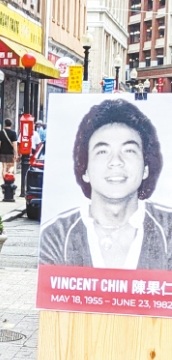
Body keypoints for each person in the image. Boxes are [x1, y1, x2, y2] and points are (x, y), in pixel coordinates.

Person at [40, 98, 172, 269]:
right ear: (85, 169)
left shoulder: (168, 229)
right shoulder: (56, 235)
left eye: (129, 150)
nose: (115, 161)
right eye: (102, 151)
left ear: (145, 168)